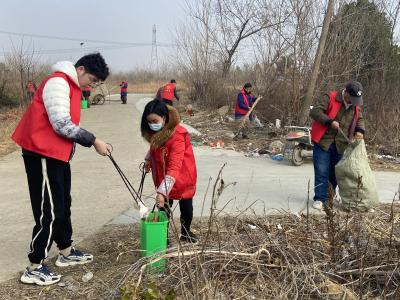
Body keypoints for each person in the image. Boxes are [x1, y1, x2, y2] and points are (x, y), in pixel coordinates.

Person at [12, 53, 111, 285]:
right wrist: (94, 140)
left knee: (63, 202)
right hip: (42, 153)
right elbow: (61, 124)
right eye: (93, 79)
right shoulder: (58, 82)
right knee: (48, 209)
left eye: (97, 82)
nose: (92, 85)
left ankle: (65, 250)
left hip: (58, 155)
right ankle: (35, 265)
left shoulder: (72, 86)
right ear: (81, 69)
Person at [141, 99, 198, 243]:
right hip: (164, 175)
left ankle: (186, 233)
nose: (152, 124)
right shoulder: (159, 131)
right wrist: (148, 159)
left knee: (186, 206)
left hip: (181, 175)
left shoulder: (177, 136)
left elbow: (174, 167)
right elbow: (154, 146)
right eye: (149, 121)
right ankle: (162, 237)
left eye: (155, 120)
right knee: (164, 208)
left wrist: (161, 191)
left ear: (165, 117)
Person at [310, 81, 365, 210]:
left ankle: (329, 197)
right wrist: (329, 121)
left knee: (335, 173)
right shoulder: (329, 97)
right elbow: (315, 112)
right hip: (324, 141)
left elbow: (360, 119)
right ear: (345, 92)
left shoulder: (355, 105)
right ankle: (319, 198)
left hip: (341, 144)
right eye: (351, 98)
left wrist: (360, 130)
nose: (353, 102)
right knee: (321, 171)